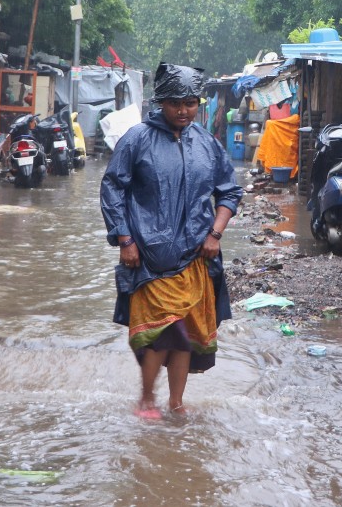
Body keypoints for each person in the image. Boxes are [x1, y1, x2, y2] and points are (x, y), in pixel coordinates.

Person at [100, 63, 243, 419]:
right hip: (148, 258)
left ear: (198, 104)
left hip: (196, 257)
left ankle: (175, 402)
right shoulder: (137, 139)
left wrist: (215, 234)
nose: (183, 110)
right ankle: (146, 399)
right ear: (161, 102)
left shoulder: (206, 144)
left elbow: (229, 192)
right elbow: (112, 188)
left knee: (185, 335)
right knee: (162, 333)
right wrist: (125, 240)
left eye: (190, 103)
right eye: (175, 103)